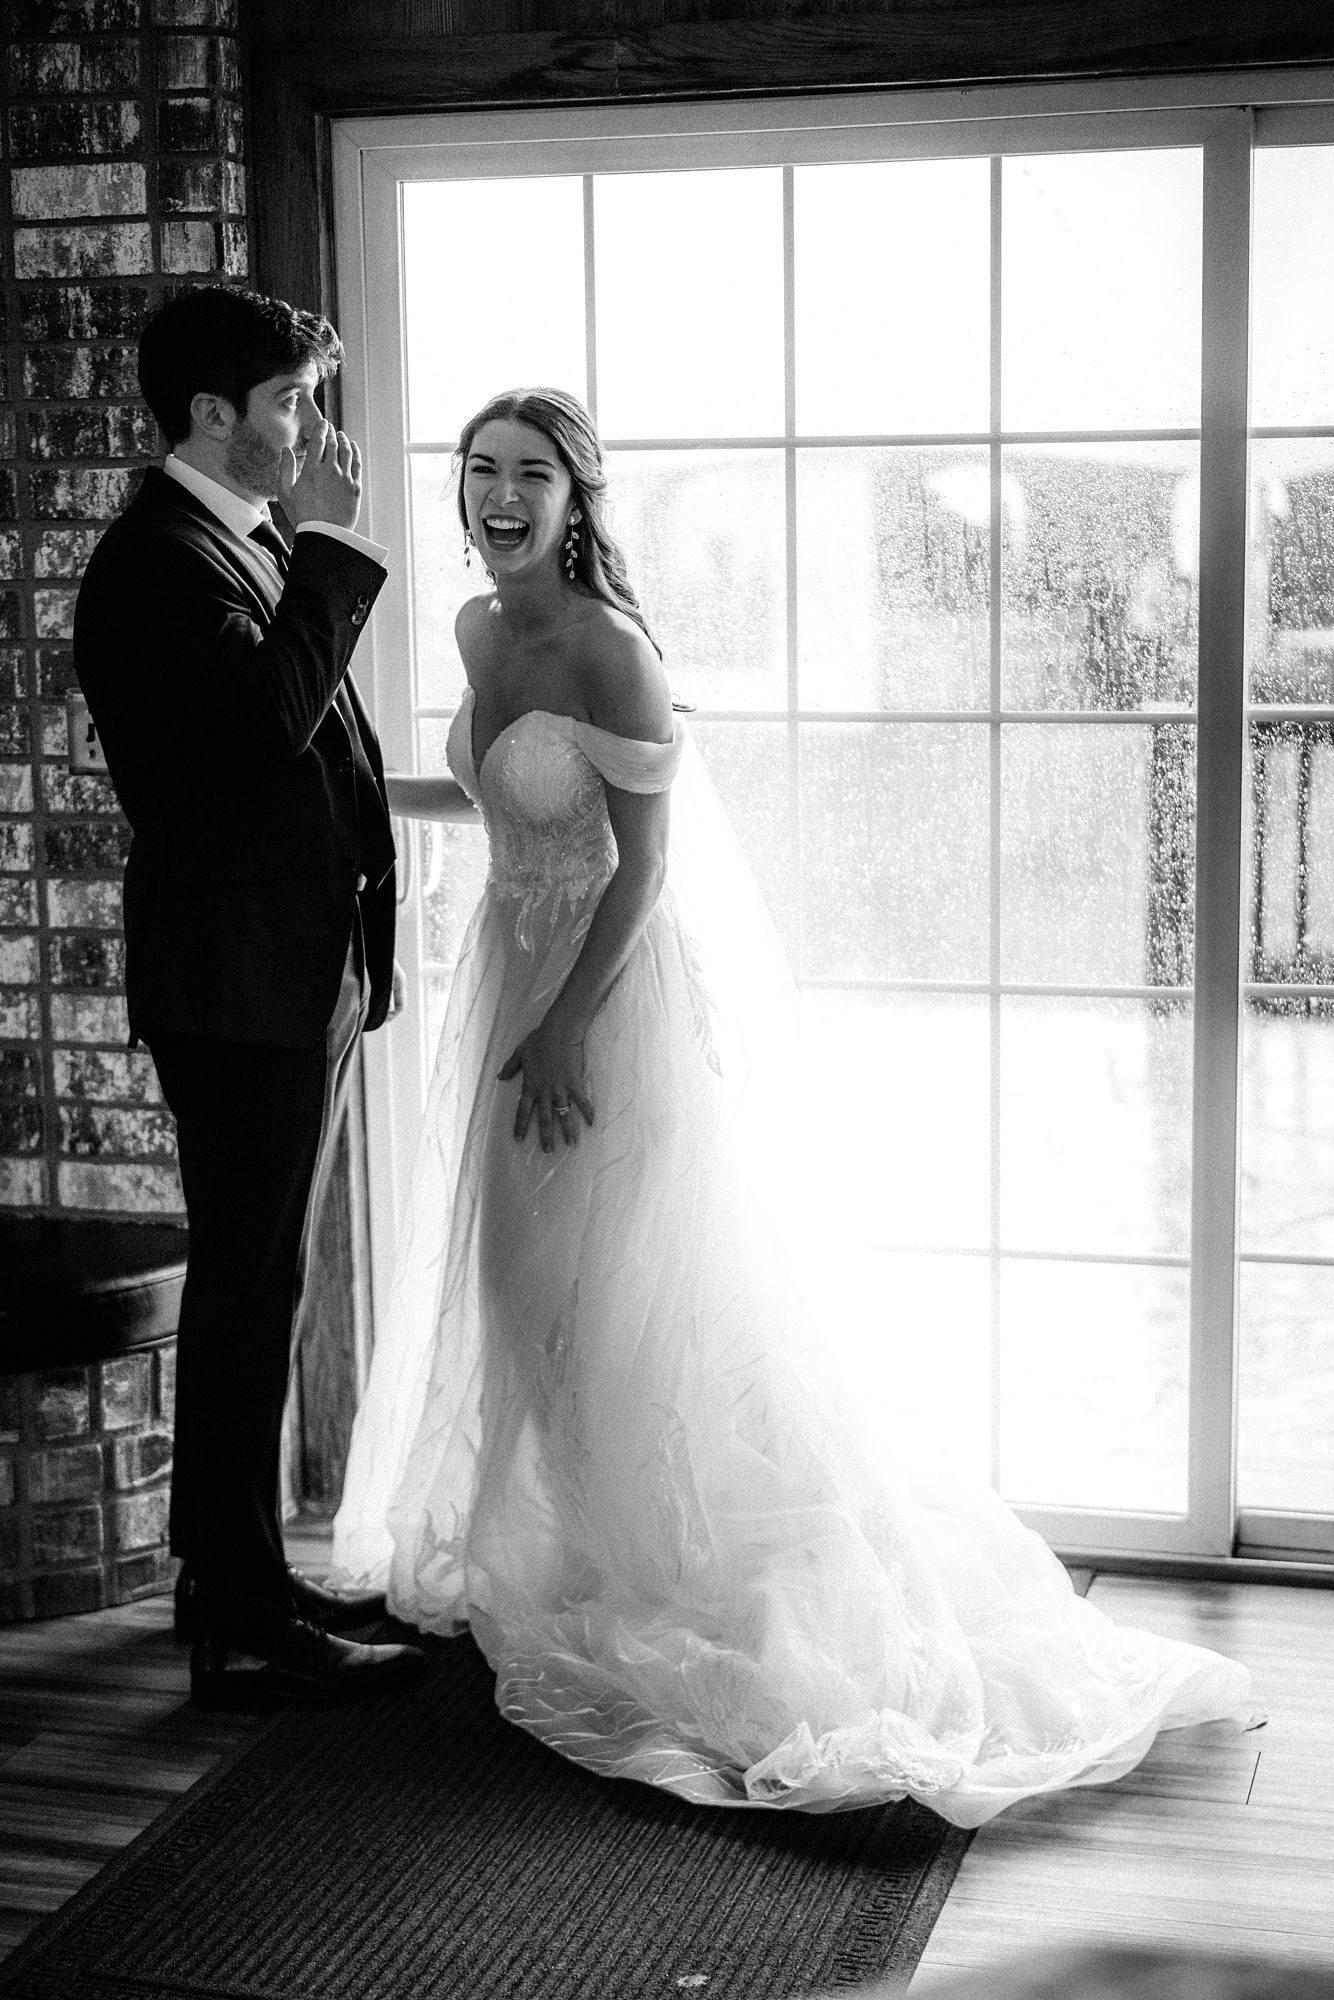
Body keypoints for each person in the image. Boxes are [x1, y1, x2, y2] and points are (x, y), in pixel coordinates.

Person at [332, 385, 1255, 1823]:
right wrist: (360, 806)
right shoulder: (472, 632)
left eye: (528, 474)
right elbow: (509, 806)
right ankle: (571, 1548)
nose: (497, 495)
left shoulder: (614, 654)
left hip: (605, 1003)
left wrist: (569, 1027)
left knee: (634, 1295)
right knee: (522, 1292)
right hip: (505, 981)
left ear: (579, 501)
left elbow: (641, 873)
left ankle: (675, 1569)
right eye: (479, 472)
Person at [74, 287, 424, 1708]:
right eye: (294, 403)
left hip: (287, 970)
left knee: (252, 1282)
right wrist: (337, 548)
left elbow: (311, 746)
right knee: (246, 1290)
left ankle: (225, 1579)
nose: (316, 432)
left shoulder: (240, 536)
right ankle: (242, 1620)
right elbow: (261, 727)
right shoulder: (154, 563)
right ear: (214, 413)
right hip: (233, 982)